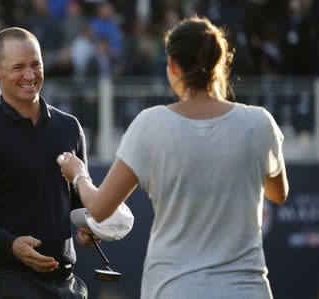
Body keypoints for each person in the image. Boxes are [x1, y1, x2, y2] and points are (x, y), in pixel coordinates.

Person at [57, 16, 289, 299]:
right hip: (247, 289)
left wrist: (78, 173)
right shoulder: (260, 123)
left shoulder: (150, 124)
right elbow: (279, 194)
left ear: (174, 67)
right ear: (219, 63)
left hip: (173, 288)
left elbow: (101, 208)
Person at [0, 27, 91, 299]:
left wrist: (90, 227)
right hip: (3, 284)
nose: (30, 75)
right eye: (18, 67)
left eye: (35, 64)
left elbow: (78, 203)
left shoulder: (69, 127)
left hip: (65, 284)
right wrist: (11, 245)